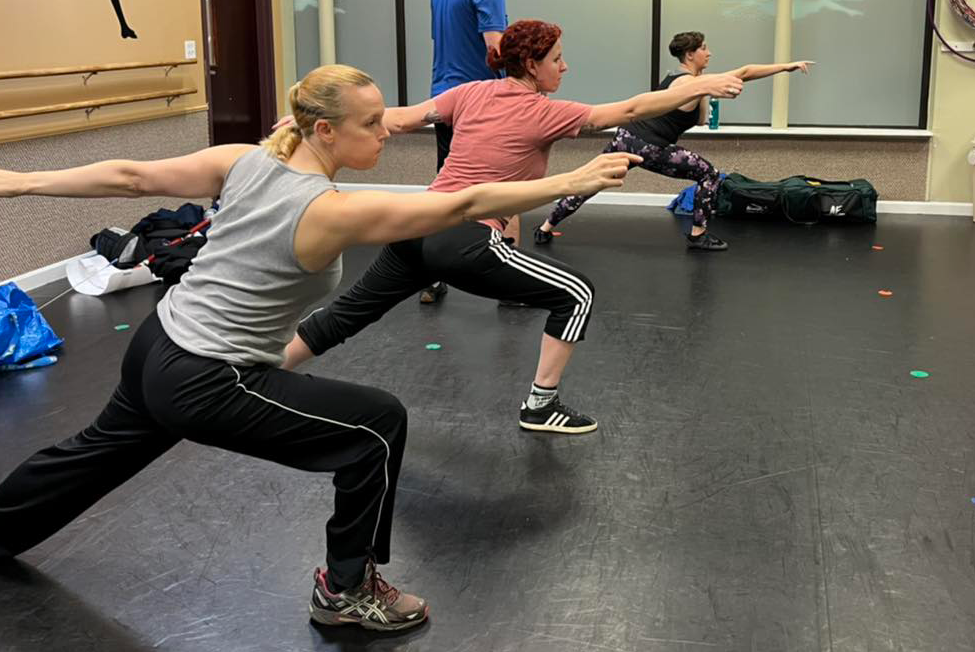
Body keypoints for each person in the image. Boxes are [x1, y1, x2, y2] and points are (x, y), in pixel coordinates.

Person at [0, 64, 637, 632]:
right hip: (206, 376)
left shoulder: (245, 161)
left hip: (158, 344)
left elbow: (131, 176)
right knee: (373, 427)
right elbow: (456, 204)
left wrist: (22, 182)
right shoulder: (327, 208)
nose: (385, 132)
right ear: (324, 130)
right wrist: (570, 179)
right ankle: (346, 589)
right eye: (370, 124)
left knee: (94, 452)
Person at [282, 20, 743, 435]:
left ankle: (259, 370)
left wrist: (312, 124)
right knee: (577, 294)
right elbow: (629, 109)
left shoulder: (469, 93)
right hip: (464, 236)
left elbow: (398, 118)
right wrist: (697, 87)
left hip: (416, 223)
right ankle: (541, 406)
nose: (565, 67)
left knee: (350, 312)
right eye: (556, 60)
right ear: (530, 64)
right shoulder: (546, 112)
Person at [535, 31, 813, 252]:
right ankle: (698, 235)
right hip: (649, 145)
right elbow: (745, 72)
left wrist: (706, 86)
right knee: (709, 174)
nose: (709, 53)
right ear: (690, 54)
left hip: (627, 137)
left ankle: (546, 227)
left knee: (592, 181)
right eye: (704, 48)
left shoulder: (687, 80)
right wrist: (786, 66)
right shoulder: (684, 83)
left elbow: (702, 119)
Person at [420, 0, 507, 304]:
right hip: (481, 98)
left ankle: (432, 277)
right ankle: (509, 287)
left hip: (444, 95)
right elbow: (495, 47)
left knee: (446, 184)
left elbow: (443, 41)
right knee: (508, 182)